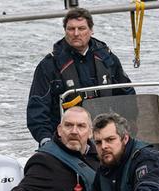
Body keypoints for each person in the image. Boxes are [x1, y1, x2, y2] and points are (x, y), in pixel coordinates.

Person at [27, 7, 135, 146]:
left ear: (91, 30)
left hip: (104, 137)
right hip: (68, 140)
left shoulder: (107, 59)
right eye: (71, 29)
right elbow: (37, 109)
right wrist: (45, 140)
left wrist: (124, 131)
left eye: (81, 28)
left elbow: (128, 96)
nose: (76, 33)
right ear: (65, 30)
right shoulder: (48, 66)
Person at [7, 106, 99, 191]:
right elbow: (21, 190)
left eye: (81, 126)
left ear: (90, 132)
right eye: (68, 125)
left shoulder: (102, 155)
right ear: (60, 130)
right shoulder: (45, 160)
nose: (74, 131)